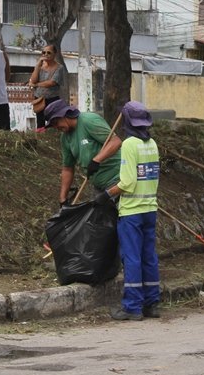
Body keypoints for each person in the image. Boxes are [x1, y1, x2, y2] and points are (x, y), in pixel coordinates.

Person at [105, 101, 161, 322]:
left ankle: (132, 307)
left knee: (132, 259)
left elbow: (127, 182)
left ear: (127, 121)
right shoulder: (152, 144)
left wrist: (107, 194)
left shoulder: (129, 144)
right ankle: (152, 304)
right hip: (150, 208)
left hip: (131, 211)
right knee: (149, 257)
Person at [43, 99, 122, 208]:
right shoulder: (65, 138)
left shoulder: (88, 121)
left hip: (117, 180)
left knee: (119, 219)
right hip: (98, 186)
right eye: (53, 126)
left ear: (65, 115)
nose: (56, 128)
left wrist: (97, 160)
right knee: (101, 221)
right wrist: (63, 199)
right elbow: (68, 168)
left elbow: (115, 142)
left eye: (56, 123)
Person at [29, 44, 65, 129]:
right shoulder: (40, 66)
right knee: (40, 123)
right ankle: (41, 138)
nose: (45, 55)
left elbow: (52, 83)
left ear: (54, 54)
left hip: (52, 99)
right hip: (39, 98)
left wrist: (37, 84)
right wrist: (37, 66)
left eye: (49, 53)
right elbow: (33, 80)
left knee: (53, 122)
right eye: (43, 52)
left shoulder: (59, 67)